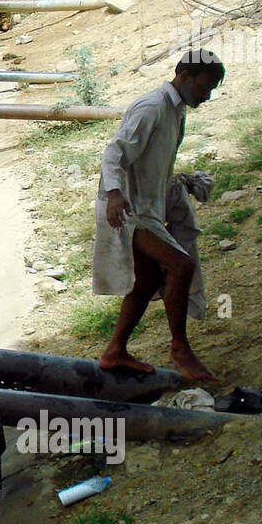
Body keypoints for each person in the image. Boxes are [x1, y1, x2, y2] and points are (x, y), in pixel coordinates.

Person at [93, 51, 227, 384]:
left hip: (146, 208)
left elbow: (154, 163)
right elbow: (115, 153)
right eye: (204, 87)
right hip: (127, 209)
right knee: (181, 265)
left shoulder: (176, 110)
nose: (206, 96)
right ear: (183, 76)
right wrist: (113, 195)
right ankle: (180, 348)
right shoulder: (152, 107)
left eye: (210, 90)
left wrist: (180, 185)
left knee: (148, 280)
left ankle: (115, 351)